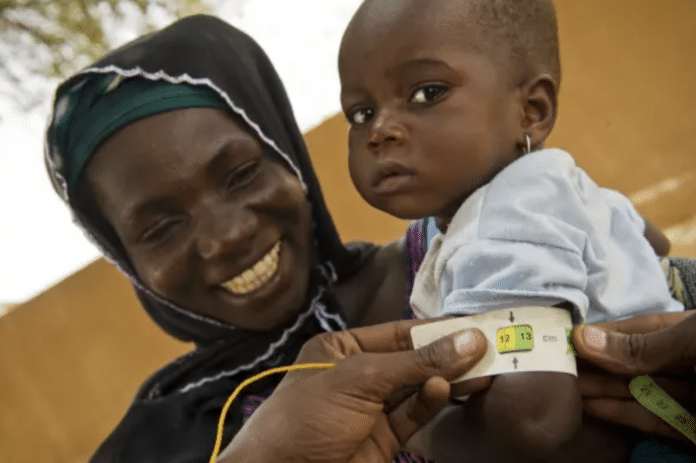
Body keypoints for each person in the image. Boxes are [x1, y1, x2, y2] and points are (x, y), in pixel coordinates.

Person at [44, 14, 436, 463]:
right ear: (127, 260)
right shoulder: (149, 449)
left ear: (287, 154)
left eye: (242, 175)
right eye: (160, 229)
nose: (226, 237)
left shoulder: (456, 269)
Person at [338, 0, 685, 459]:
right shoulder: (559, 178)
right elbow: (652, 242)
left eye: (427, 93)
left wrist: (410, 433)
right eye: (361, 113)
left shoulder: (499, 227)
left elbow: (533, 422)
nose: (380, 131)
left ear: (532, 111)